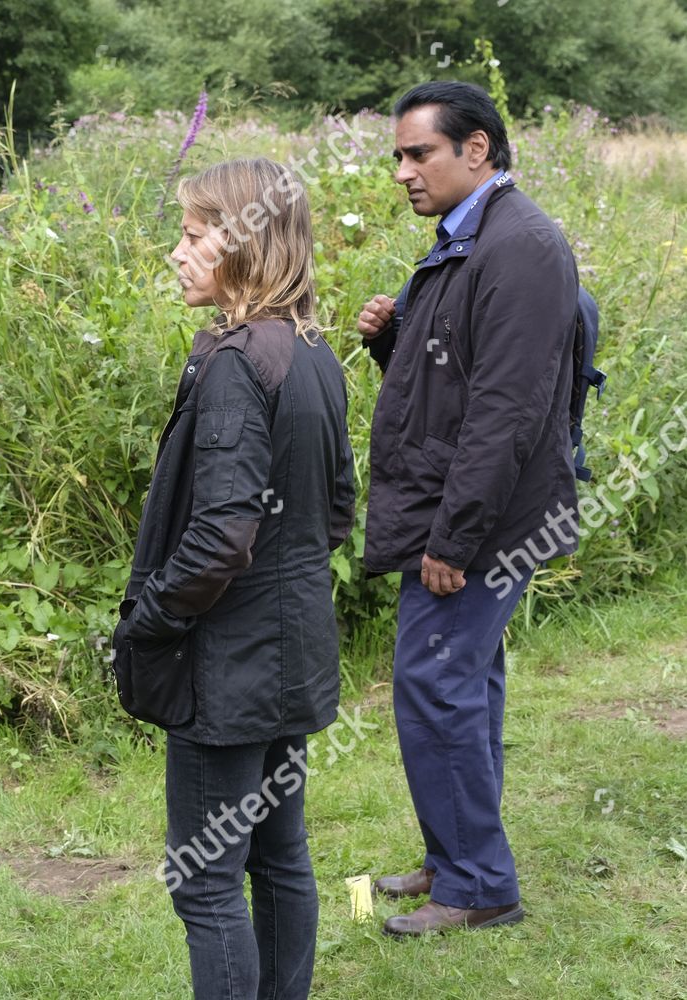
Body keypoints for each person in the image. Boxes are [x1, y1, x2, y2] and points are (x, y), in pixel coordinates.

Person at [111, 157, 355, 999]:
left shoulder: (233, 364)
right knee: (279, 855)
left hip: (232, 667)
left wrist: (149, 621)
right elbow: (336, 512)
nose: (176, 254)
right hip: (292, 650)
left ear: (246, 243)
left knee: (206, 879)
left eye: (191, 236)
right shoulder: (316, 352)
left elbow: (220, 537)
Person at [355, 82, 581, 937]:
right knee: (463, 685)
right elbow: (447, 389)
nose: (405, 172)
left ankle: (481, 884)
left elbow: (509, 412)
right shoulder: (467, 239)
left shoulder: (518, 246)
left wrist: (455, 537)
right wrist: (391, 341)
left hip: (485, 523)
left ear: (477, 149)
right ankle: (458, 859)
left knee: (435, 683)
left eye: (421, 154)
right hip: (471, 513)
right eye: (400, 157)